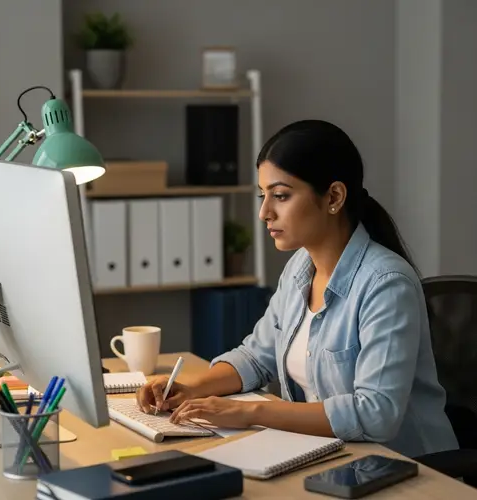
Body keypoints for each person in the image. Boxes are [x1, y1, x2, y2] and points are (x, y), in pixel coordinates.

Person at [137, 119, 458, 458]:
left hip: (410, 470)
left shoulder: (386, 284)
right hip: (332, 456)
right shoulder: (299, 270)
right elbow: (256, 357)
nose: (264, 213)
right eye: (264, 196)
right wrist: (189, 389)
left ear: (334, 196)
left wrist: (249, 413)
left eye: (280, 196)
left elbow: (375, 413)